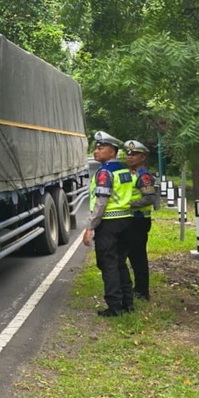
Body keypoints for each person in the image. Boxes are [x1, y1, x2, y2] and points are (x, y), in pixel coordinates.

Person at [82, 131, 135, 316]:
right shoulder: (123, 169)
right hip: (126, 221)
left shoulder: (104, 173)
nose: (96, 151)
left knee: (108, 264)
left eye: (101, 147)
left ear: (112, 151)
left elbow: (101, 202)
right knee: (120, 262)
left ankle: (114, 306)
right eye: (96, 147)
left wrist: (90, 226)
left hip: (109, 223)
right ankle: (128, 302)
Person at [122, 140, 158, 301]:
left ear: (143, 157)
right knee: (128, 254)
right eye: (128, 153)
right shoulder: (130, 174)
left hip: (139, 220)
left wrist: (129, 205)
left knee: (138, 257)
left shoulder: (143, 176)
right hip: (129, 220)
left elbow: (150, 198)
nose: (130, 157)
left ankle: (142, 292)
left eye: (134, 154)